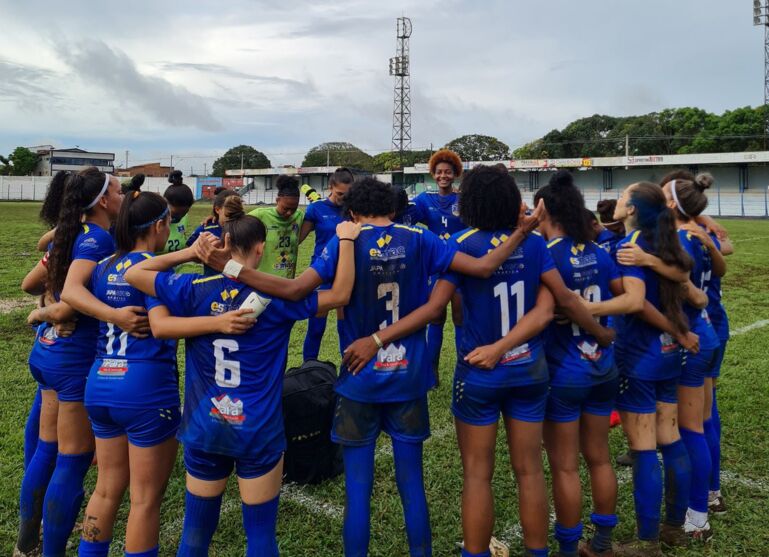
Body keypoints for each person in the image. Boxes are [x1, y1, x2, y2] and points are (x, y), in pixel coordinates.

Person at [336, 171, 614, 557]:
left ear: (470, 204)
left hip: (479, 371)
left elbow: (436, 310)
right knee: (530, 470)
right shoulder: (535, 245)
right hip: (529, 369)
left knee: (478, 474)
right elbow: (551, 305)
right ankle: (541, 551)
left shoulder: (460, 242)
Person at [125, 195, 359, 556]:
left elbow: (134, 273)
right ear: (261, 247)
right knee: (261, 537)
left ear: (223, 245)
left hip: (206, 424)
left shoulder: (192, 291)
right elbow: (342, 293)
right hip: (258, 429)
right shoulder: (278, 298)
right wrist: (344, 242)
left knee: (195, 534)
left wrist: (190, 255)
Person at [16, 168, 135, 556]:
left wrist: (48, 304)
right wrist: (55, 310)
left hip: (48, 354)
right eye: (118, 191)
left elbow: (31, 285)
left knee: (48, 449)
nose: (123, 197)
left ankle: (26, 543)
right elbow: (72, 294)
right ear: (103, 200)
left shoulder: (72, 234)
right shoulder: (97, 239)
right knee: (71, 459)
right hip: (71, 360)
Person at [60, 183, 177, 557]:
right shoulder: (151, 272)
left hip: (100, 384)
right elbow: (165, 324)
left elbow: (70, 291)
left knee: (107, 488)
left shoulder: (105, 265)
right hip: (144, 389)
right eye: (169, 222)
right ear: (158, 227)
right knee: (144, 500)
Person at [592, 182, 696, 557]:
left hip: (638, 355)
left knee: (642, 448)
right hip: (668, 355)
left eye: (622, 197)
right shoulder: (664, 244)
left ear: (632, 209)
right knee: (671, 438)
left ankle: (647, 542)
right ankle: (673, 528)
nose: (617, 202)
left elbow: (634, 301)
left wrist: (586, 308)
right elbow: (684, 275)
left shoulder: (629, 246)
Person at [535, 172, 628, 557]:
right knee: (600, 458)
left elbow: (540, 313)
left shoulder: (547, 256)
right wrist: (601, 327)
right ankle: (602, 543)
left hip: (564, 373)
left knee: (565, 468)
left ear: (544, 210)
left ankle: (570, 549)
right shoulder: (598, 251)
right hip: (601, 367)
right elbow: (621, 296)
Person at [411, 149, 466, 375]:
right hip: (435, 267)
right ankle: (431, 369)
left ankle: (464, 368)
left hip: (462, 265)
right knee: (436, 316)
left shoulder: (464, 200)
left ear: (455, 174)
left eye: (448, 172)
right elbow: (406, 220)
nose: (443, 176)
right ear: (433, 174)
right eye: (439, 172)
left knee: (460, 316)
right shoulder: (425, 200)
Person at [298, 167, 354, 360]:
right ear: (330, 187)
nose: (343, 198)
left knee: (346, 329)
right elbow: (297, 239)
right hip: (322, 274)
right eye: (339, 194)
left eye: (347, 195)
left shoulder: (354, 210)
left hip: (347, 273)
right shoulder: (316, 209)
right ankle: (308, 370)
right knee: (316, 328)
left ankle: (347, 372)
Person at [249, 175, 305, 278]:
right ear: (277, 200)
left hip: (287, 282)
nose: (289, 213)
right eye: (285, 208)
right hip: (263, 280)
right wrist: (215, 217)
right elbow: (235, 224)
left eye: (293, 209)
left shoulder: (299, 216)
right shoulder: (260, 215)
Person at [186, 188, 240, 276]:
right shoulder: (206, 228)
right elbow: (190, 251)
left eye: (237, 214)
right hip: (212, 281)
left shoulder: (245, 227)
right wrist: (206, 255)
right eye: (229, 215)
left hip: (239, 281)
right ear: (217, 210)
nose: (233, 219)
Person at [162, 170, 195, 253]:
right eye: (175, 214)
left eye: (184, 213)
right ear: (164, 203)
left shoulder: (184, 217)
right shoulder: (152, 221)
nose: (179, 217)